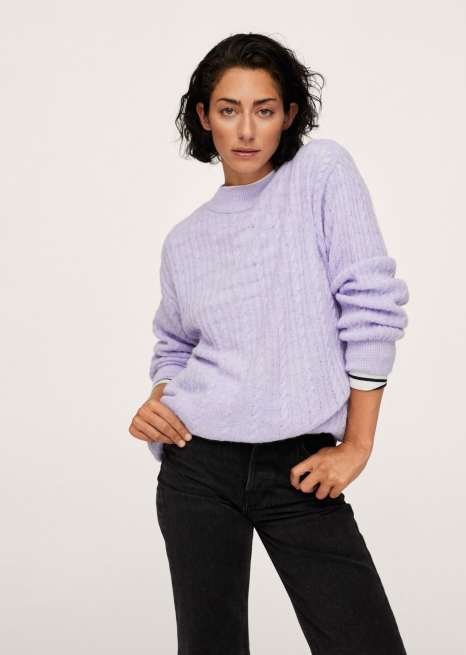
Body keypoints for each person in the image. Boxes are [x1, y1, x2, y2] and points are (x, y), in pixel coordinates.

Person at [129, 32, 410, 655]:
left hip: (301, 468)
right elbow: (175, 345)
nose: (247, 129)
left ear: (289, 114)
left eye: (264, 109)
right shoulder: (185, 241)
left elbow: (370, 305)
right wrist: (160, 397)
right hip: (197, 468)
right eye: (229, 109)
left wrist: (358, 443)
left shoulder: (320, 173)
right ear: (205, 117)